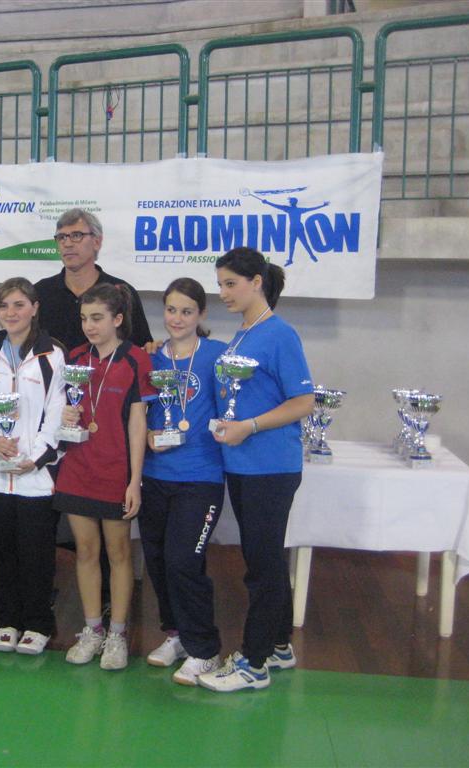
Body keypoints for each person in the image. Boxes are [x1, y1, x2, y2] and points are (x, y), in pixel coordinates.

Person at [197, 247, 314, 693]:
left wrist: (250, 426)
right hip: (243, 465)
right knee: (264, 558)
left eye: (231, 283)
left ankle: (254, 662)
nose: (224, 293)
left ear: (257, 282)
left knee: (261, 566)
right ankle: (279, 645)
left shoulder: (279, 334)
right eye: (220, 284)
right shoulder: (242, 335)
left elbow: (303, 401)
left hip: (270, 466)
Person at [0, 277, 67, 655]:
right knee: (0, 552)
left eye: (19, 304)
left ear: (35, 308)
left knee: (36, 552)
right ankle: (7, 619)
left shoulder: (53, 354)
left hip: (36, 474)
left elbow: (58, 412)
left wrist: (34, 457)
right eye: (4, 306)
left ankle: (38, 623)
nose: (11, 312)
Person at [53, 283, 151, 670]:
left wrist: (134, 480)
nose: (89, 326)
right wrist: (65, 414)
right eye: (84, 319)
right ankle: (93, 629)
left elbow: (138, 425)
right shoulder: (76, 358)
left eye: (97, 318)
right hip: (77, 467)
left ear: (118, 319)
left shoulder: (136, 361)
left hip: (115, 472)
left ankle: (118, 634)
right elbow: (61, 406)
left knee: (119, 553)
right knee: (86, 551)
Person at [140, 278, 228, 685]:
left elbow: (234, 406)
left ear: (201, 314)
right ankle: (176, 635)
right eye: (171, 310)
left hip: (200, 476)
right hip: (155, 474)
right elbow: (138, 411)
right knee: (158, 561)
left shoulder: (218, 356)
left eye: (187, 311)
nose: (177, 318)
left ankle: (205, 649)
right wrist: (147, 434)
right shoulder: (151, 357)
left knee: (183, 561)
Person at [33, 208, 152, 350]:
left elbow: (142, 348)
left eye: (76, 235)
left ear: (97, 241)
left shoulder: (121, 291)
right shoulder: (40, 292)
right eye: (61, 237)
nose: (67, 243)